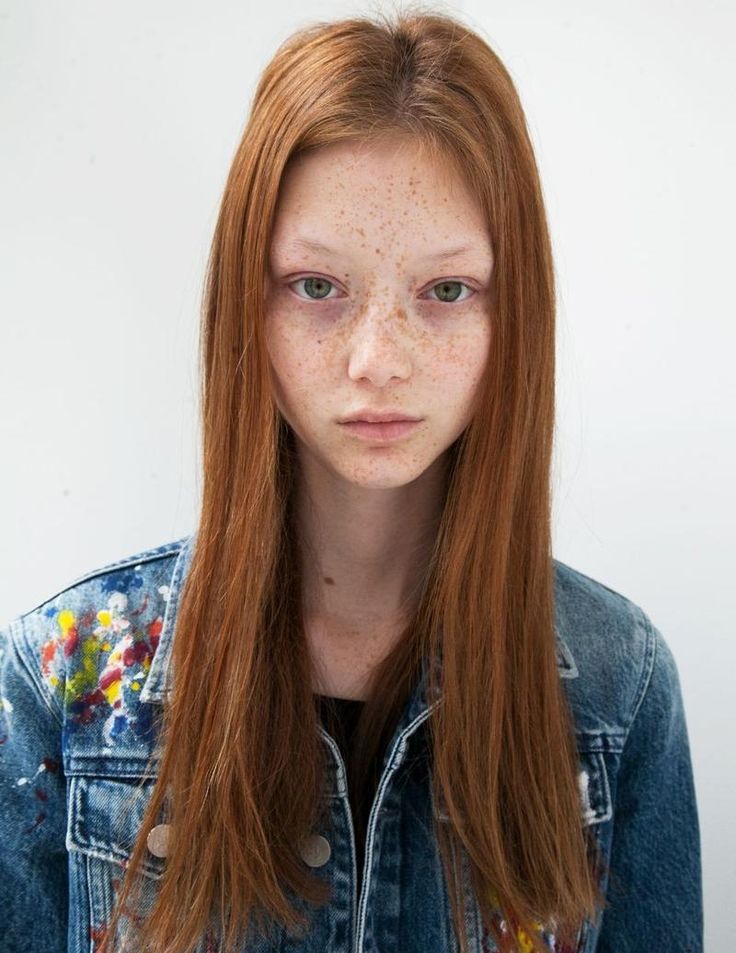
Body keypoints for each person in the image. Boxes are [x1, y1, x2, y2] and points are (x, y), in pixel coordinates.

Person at [0, 8, 703, 953]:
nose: (379, 359)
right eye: (318, 287)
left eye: (445, 290)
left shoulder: (622, 693)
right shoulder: (65, 683)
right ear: (247, 301)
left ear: (513, 310)